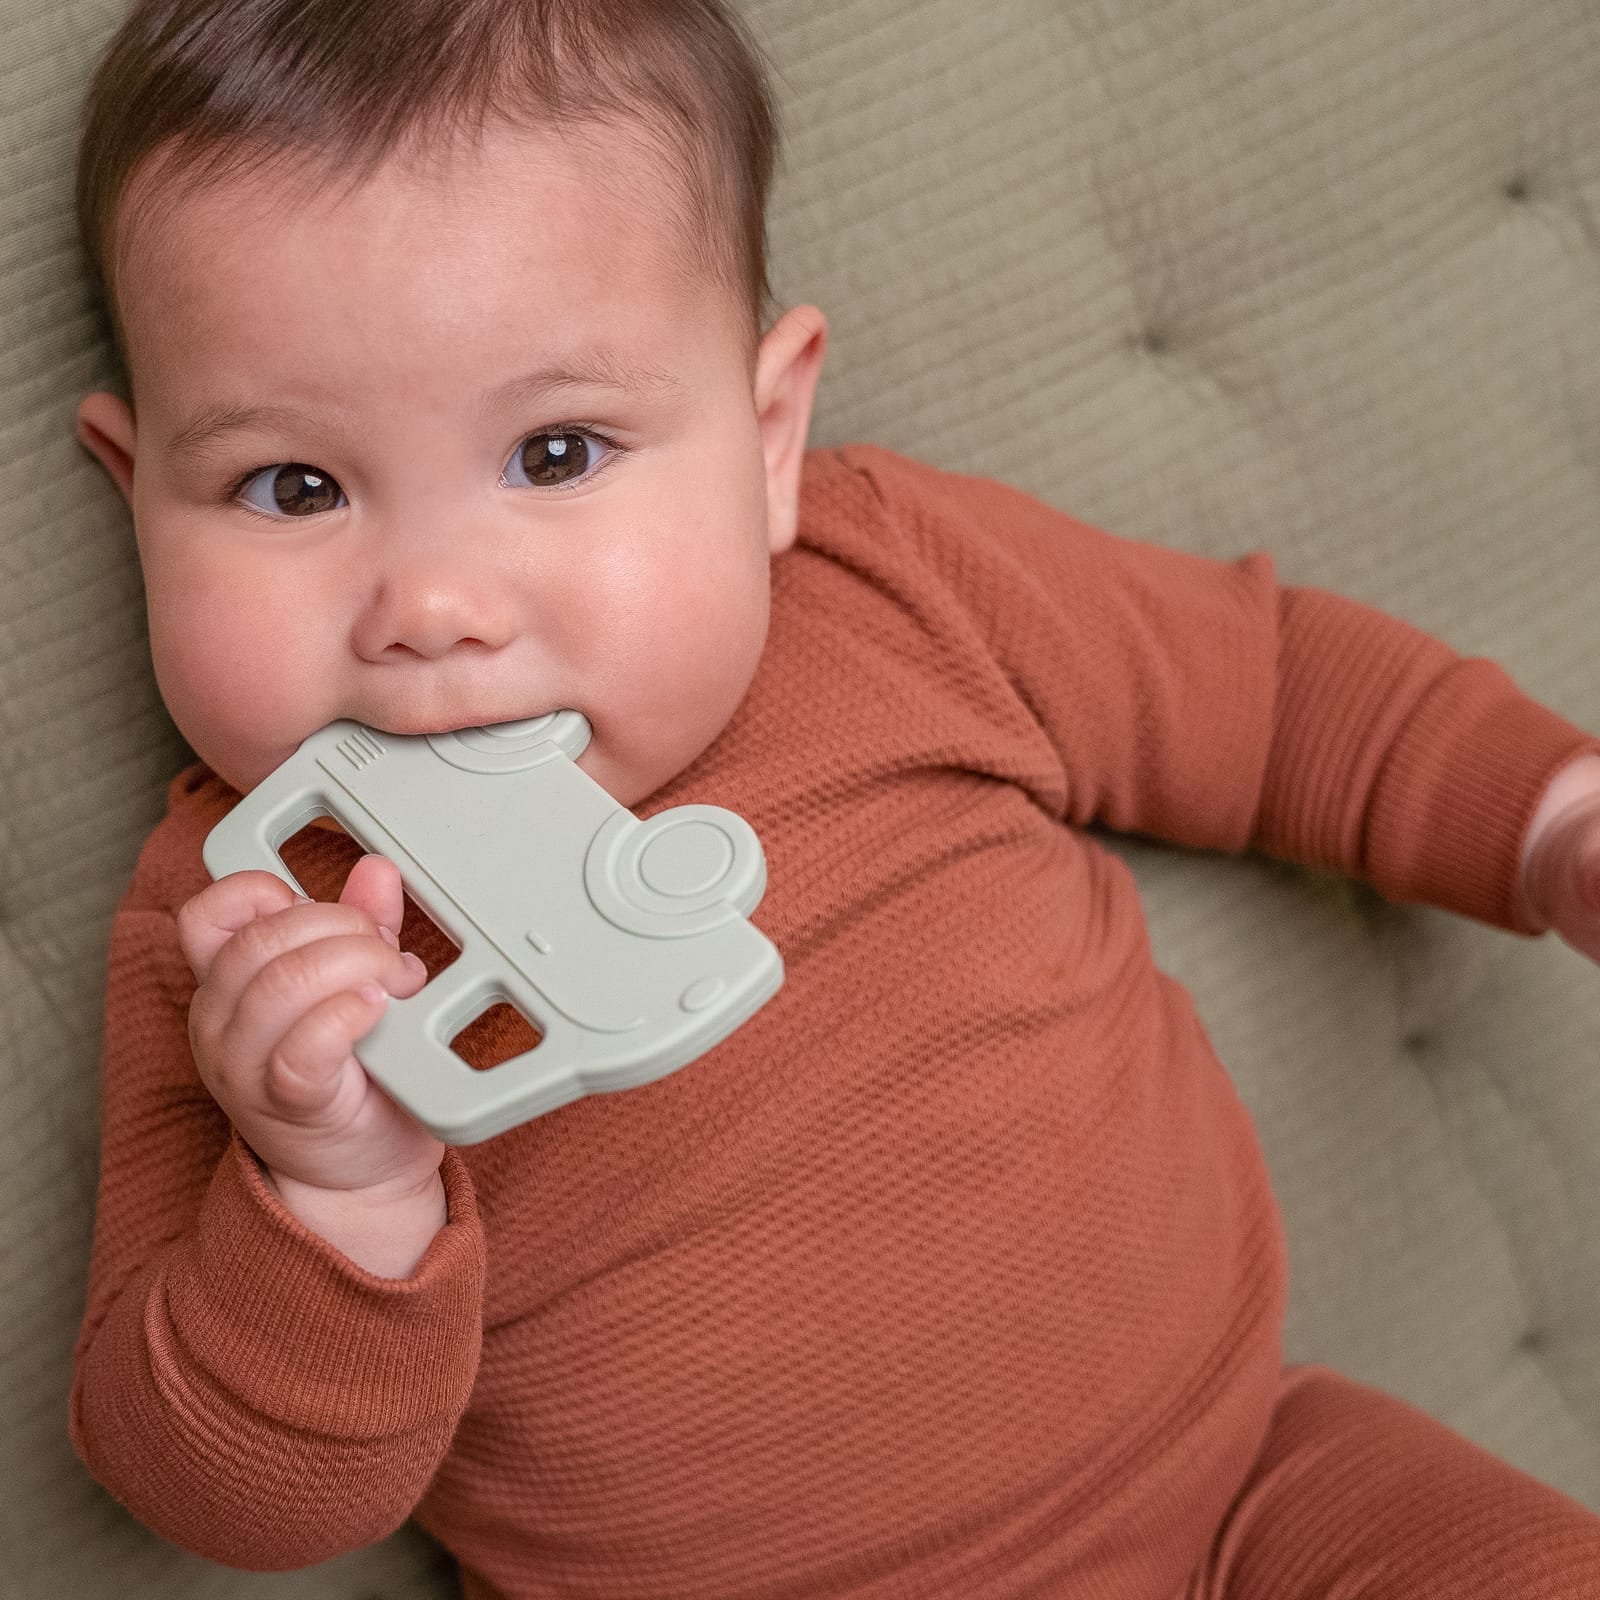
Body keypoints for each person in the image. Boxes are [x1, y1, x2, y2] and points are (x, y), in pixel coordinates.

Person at [65, 1, 1600, 1596]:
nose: (436, 604)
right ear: (137, 498)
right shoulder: (242, 940)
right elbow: (214, 1496)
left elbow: (1273, 697)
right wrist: (329, 1198)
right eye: (292, 488)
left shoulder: (900, 588)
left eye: (558, 451)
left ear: (770, 435)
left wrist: (1550, 816)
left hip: (1257, 1490)